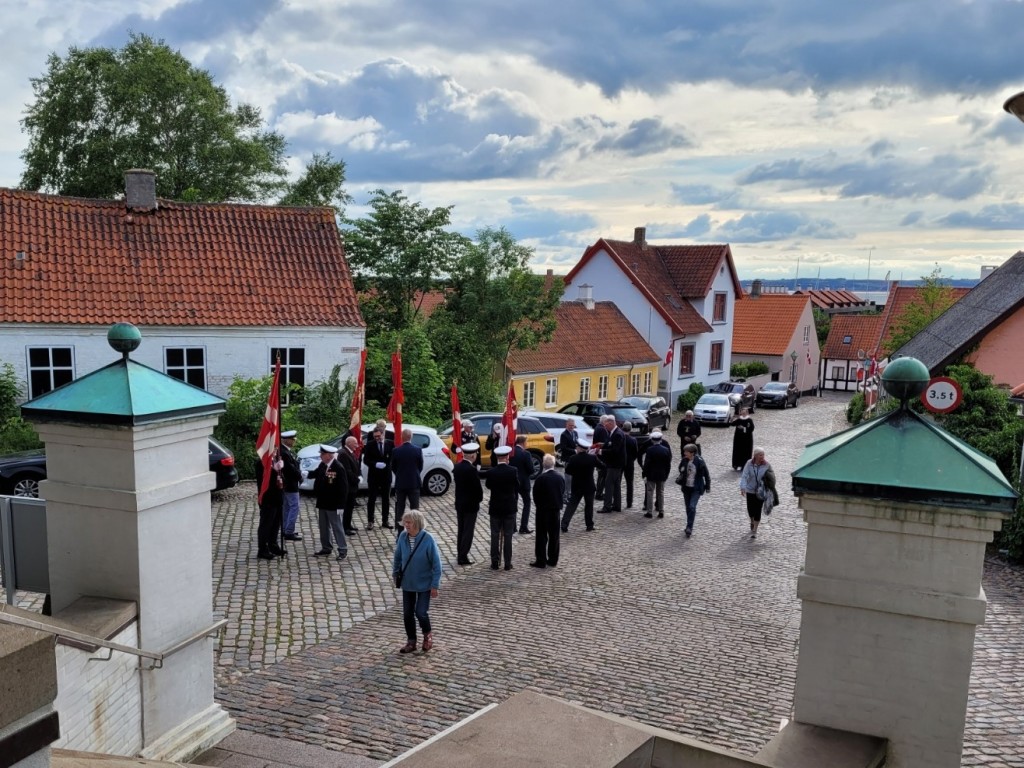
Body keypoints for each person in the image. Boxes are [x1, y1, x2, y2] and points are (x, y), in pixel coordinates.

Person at [392, 510, 442, 654]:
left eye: (409, 522)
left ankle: (427, 636)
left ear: (417, 523)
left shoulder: (428, 539)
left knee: (421, 612)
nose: (406, 525)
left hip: (424, 584)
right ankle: (411, 641)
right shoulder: (403, 537)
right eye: (405, 522)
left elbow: (437, 564)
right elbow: (398, 557)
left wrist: (435, 585)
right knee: (407, 614)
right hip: (408, 582)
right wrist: (395, 572)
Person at [308, 444, 348, 560]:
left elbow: (343, 488)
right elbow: (316, 473)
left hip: (333, 503)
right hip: (323, 501)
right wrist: (304, 474)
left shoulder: (338, 467)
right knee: (323, 526)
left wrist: (341, 505)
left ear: (329, 455)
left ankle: (342, 549)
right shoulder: (323, 465)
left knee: (337, 526)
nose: (320, 456)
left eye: (322, 454)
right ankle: (326, 547)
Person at [485, 445, 519, 570]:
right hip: (509, 507)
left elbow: (488, 486)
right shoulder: (513, 470)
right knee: (508, 536)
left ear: (497, 457)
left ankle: (494, 562)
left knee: (494, 535)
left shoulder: (491, 472)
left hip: (495, 507)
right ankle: (507, 563)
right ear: (507, 457)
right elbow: (517, 485)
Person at [561, 438, 603, 533]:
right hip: (589, 486)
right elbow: (602, 466)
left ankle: (564, 524)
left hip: (577, 486)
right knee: (589, 506)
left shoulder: (573, 458)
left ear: (579, 448)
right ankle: (589, 525)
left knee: (572, 505)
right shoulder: (592, 458)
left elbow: (568, 471)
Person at [530, 454, 565, 568]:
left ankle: (541, 560)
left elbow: (535, 494)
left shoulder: (540, 478)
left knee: (541, 535)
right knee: (554, 536)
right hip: (555, 510)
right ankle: (553, 559)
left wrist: (539, 505)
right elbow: (562, 491)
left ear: (544, 465)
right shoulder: (560, 477)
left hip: (542, 510)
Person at [453, 442, 483, 565]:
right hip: (470, 505)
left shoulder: (457, 467)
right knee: (468, 531)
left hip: (460, 503)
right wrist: (479, 499)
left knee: (461, 529)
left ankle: (460, 552)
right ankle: (463, 556)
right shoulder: (471, 469)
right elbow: (477, 489)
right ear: (472, 456)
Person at [253, 450, 287, 560]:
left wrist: (280, 471)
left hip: (278, 497)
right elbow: (264, 481)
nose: (275, 450)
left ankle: (273, 545)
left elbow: (282, 479)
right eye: (273, 448)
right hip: (268, 498)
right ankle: (262, 549)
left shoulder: (275, 460)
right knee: (266, 524)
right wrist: (274, 471)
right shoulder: (261, 463)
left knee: (276, 523)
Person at [739, 447, 778, 539]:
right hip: (750, 490)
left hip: (761, 491)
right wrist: (743, 487)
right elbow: (744, 476)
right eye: (760, 455)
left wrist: (769, 485)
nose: (762, 457)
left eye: (763, 455)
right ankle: (752, 521)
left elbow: (772, 477)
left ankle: (755, 529)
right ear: (755, 456)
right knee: (750, 510)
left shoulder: (767, 465)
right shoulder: (749, 463)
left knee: (758, 510)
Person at [362, 425, 394, 529]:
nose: (377, 438)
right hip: (374, 476)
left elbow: (393, 458)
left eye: (378, 436)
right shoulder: (370, 444)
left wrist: (388, 464)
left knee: (386, 499)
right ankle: (370, 521)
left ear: (383, 434)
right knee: (372, 499)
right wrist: (375, 464)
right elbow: (366, 460)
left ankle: (385, 520)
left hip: (386, 476)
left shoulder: (390, 443)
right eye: (375, 436)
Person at [677, 443, 711, 538]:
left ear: (692, 453)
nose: (684, 453)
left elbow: (706, 474)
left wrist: (708, 486)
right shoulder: (684, 460)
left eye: (686, 452)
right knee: (688, 507)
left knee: (692, 506)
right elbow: (680, 469)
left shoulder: (699, 461)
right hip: (686, 487)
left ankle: (689, 527)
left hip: (696, 488)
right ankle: (689, 523)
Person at [392, 428, 424, 524]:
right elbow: (420, 466)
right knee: (415, 507)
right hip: (414, 482)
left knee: (400, 507)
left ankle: (399, 526)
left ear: (402, 437)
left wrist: (399, 474)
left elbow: (393, 467)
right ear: (411, 437)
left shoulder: (396, 450)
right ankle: (416, 526)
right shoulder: (417, 450)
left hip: (401, 482)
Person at [641, 431, 672, 520]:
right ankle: (661, 511)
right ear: (660, 439)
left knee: (650, 492)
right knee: (660, 493)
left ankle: (649, 511)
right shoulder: (666, 450)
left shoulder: (650, 450)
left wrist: (644, 473)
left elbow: (647, 463)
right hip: (662, 474)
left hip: (651, 474)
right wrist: (666, 474)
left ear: (652, 440)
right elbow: (668, 464)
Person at [280, 430, 303, 541]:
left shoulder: (285, 451)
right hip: (290, 484)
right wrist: (300, 476)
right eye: (292, 439)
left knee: (287, 507)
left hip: (288, 484)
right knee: (294, 507)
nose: (294, 441)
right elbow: (290, 470)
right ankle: (289, 531)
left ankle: (285, 529)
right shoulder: (284, 453)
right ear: (286, 440)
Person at [599, 415, 626, 513]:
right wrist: (603, 445)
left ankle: (607, 506)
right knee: (616, 485)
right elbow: (610, 444)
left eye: (606, 425)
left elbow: (615, 450)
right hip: (615, 463)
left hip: (614, 464)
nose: (605, 427)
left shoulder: (617, 434)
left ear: (611, 423)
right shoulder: (614, 432)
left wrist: (601, 451)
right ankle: (617, 505)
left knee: (609, 484)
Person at [338, 435, 361, 535]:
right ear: (349, 443)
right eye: (355, 443)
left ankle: (348, 524)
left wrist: (359, 475)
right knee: (347, 507)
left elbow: (355, 466)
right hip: (348, 485)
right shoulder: (343, 454)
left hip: (352, 486)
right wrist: (357, 479)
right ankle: (345, 527)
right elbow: (347, 471)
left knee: (350, 507)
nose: (357, 445)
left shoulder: (349, 452)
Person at [511, 434, 534, 534]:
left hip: (513, 482)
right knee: (527, 503)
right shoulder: (526, 453)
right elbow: (531, 469)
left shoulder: (511, 452)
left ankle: (513, 527)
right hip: (524, 482)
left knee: (514, 503)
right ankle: (523, 526)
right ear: (523, 442)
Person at [558, 418, 580, 503]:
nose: (572, 427)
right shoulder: (564, 435)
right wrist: (574, 451)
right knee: (568, 478)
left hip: (575, 459)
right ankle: (565, 496)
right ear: (566, 425)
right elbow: (563, 448)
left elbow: (577, 443)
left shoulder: (575, 433)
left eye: (573, 426)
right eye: (570, 425)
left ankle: (570, 494)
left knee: (573, 478)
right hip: (567, 459)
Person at [621, 422, 638, 509]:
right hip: (629, 463)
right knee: (629, 483)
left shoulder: (620, 438)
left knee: (617, 482)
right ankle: (629, 502)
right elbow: (636, 453)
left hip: (620, 463)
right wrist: (631, 460)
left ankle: (616, 501)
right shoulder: (633, 440)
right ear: (630, 429)